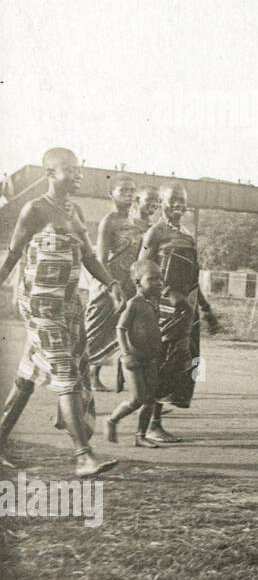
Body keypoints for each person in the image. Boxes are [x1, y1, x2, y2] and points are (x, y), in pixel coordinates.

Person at [0, 148, 118, 477]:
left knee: (26, 377)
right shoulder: (34, 209)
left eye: (79, 169)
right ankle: (83, 455)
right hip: (41, 307)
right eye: (69, 170)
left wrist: (111, 284)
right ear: (49, 173)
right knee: (66, 373)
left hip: (69, 307)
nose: (77, 175)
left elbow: (91, 258)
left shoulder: (75, 211)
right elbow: (12, 256)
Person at [139, 183, 219, 443]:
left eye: (182, 201)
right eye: (173, 200)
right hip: (166, 310)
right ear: (161, 201)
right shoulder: (155, 233)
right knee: (163, 362)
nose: (178, 205)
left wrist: (205, 309)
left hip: (189, 309)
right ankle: (152, 424)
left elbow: (193, 277)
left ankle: (156, 420)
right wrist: (166, 295)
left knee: (183, 364)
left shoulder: (187, 234)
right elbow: (141, 271)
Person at [85, 175, 146, 392]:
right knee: (96, 331)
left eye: (132, 190)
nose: (129, 195)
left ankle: (134, 387)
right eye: (123, 191)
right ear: (111, 194)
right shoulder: (108, 221)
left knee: (119, 331)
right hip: (107, 285)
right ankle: (85, 377)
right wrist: (111, 288)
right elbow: (100, 259)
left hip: (128, 284)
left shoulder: (133, 222)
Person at [102, 260, 165, 447]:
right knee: (137, 399)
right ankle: (112, 420)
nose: (158, 283)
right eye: (152, 279)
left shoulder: (154, 303)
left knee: (151, 399)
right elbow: (120, 328)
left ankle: (140, 435)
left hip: (150, 358)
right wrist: (126, 354)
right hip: (134, 358)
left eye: (160, 278)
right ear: (138, 282)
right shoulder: (134, 304)